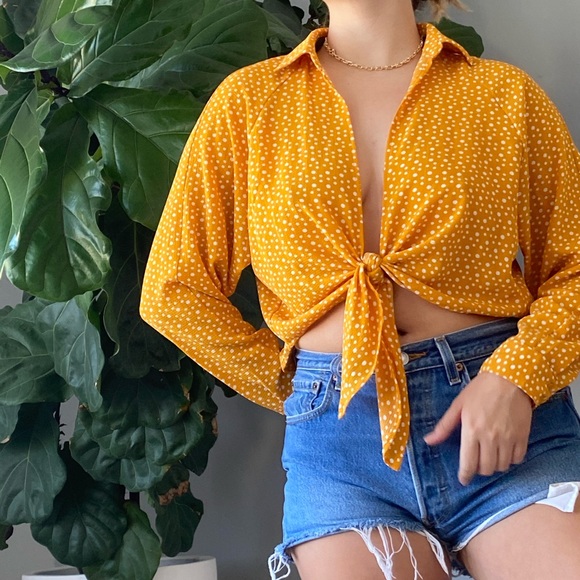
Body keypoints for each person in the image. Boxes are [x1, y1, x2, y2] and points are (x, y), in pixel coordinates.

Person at [140, 0, 580, 577]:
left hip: (500, 422)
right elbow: (174, 287)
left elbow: (575, 268)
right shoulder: (248, 103)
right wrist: (298, 387)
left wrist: (517, 378)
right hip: (341, 450)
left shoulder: (504, 95)